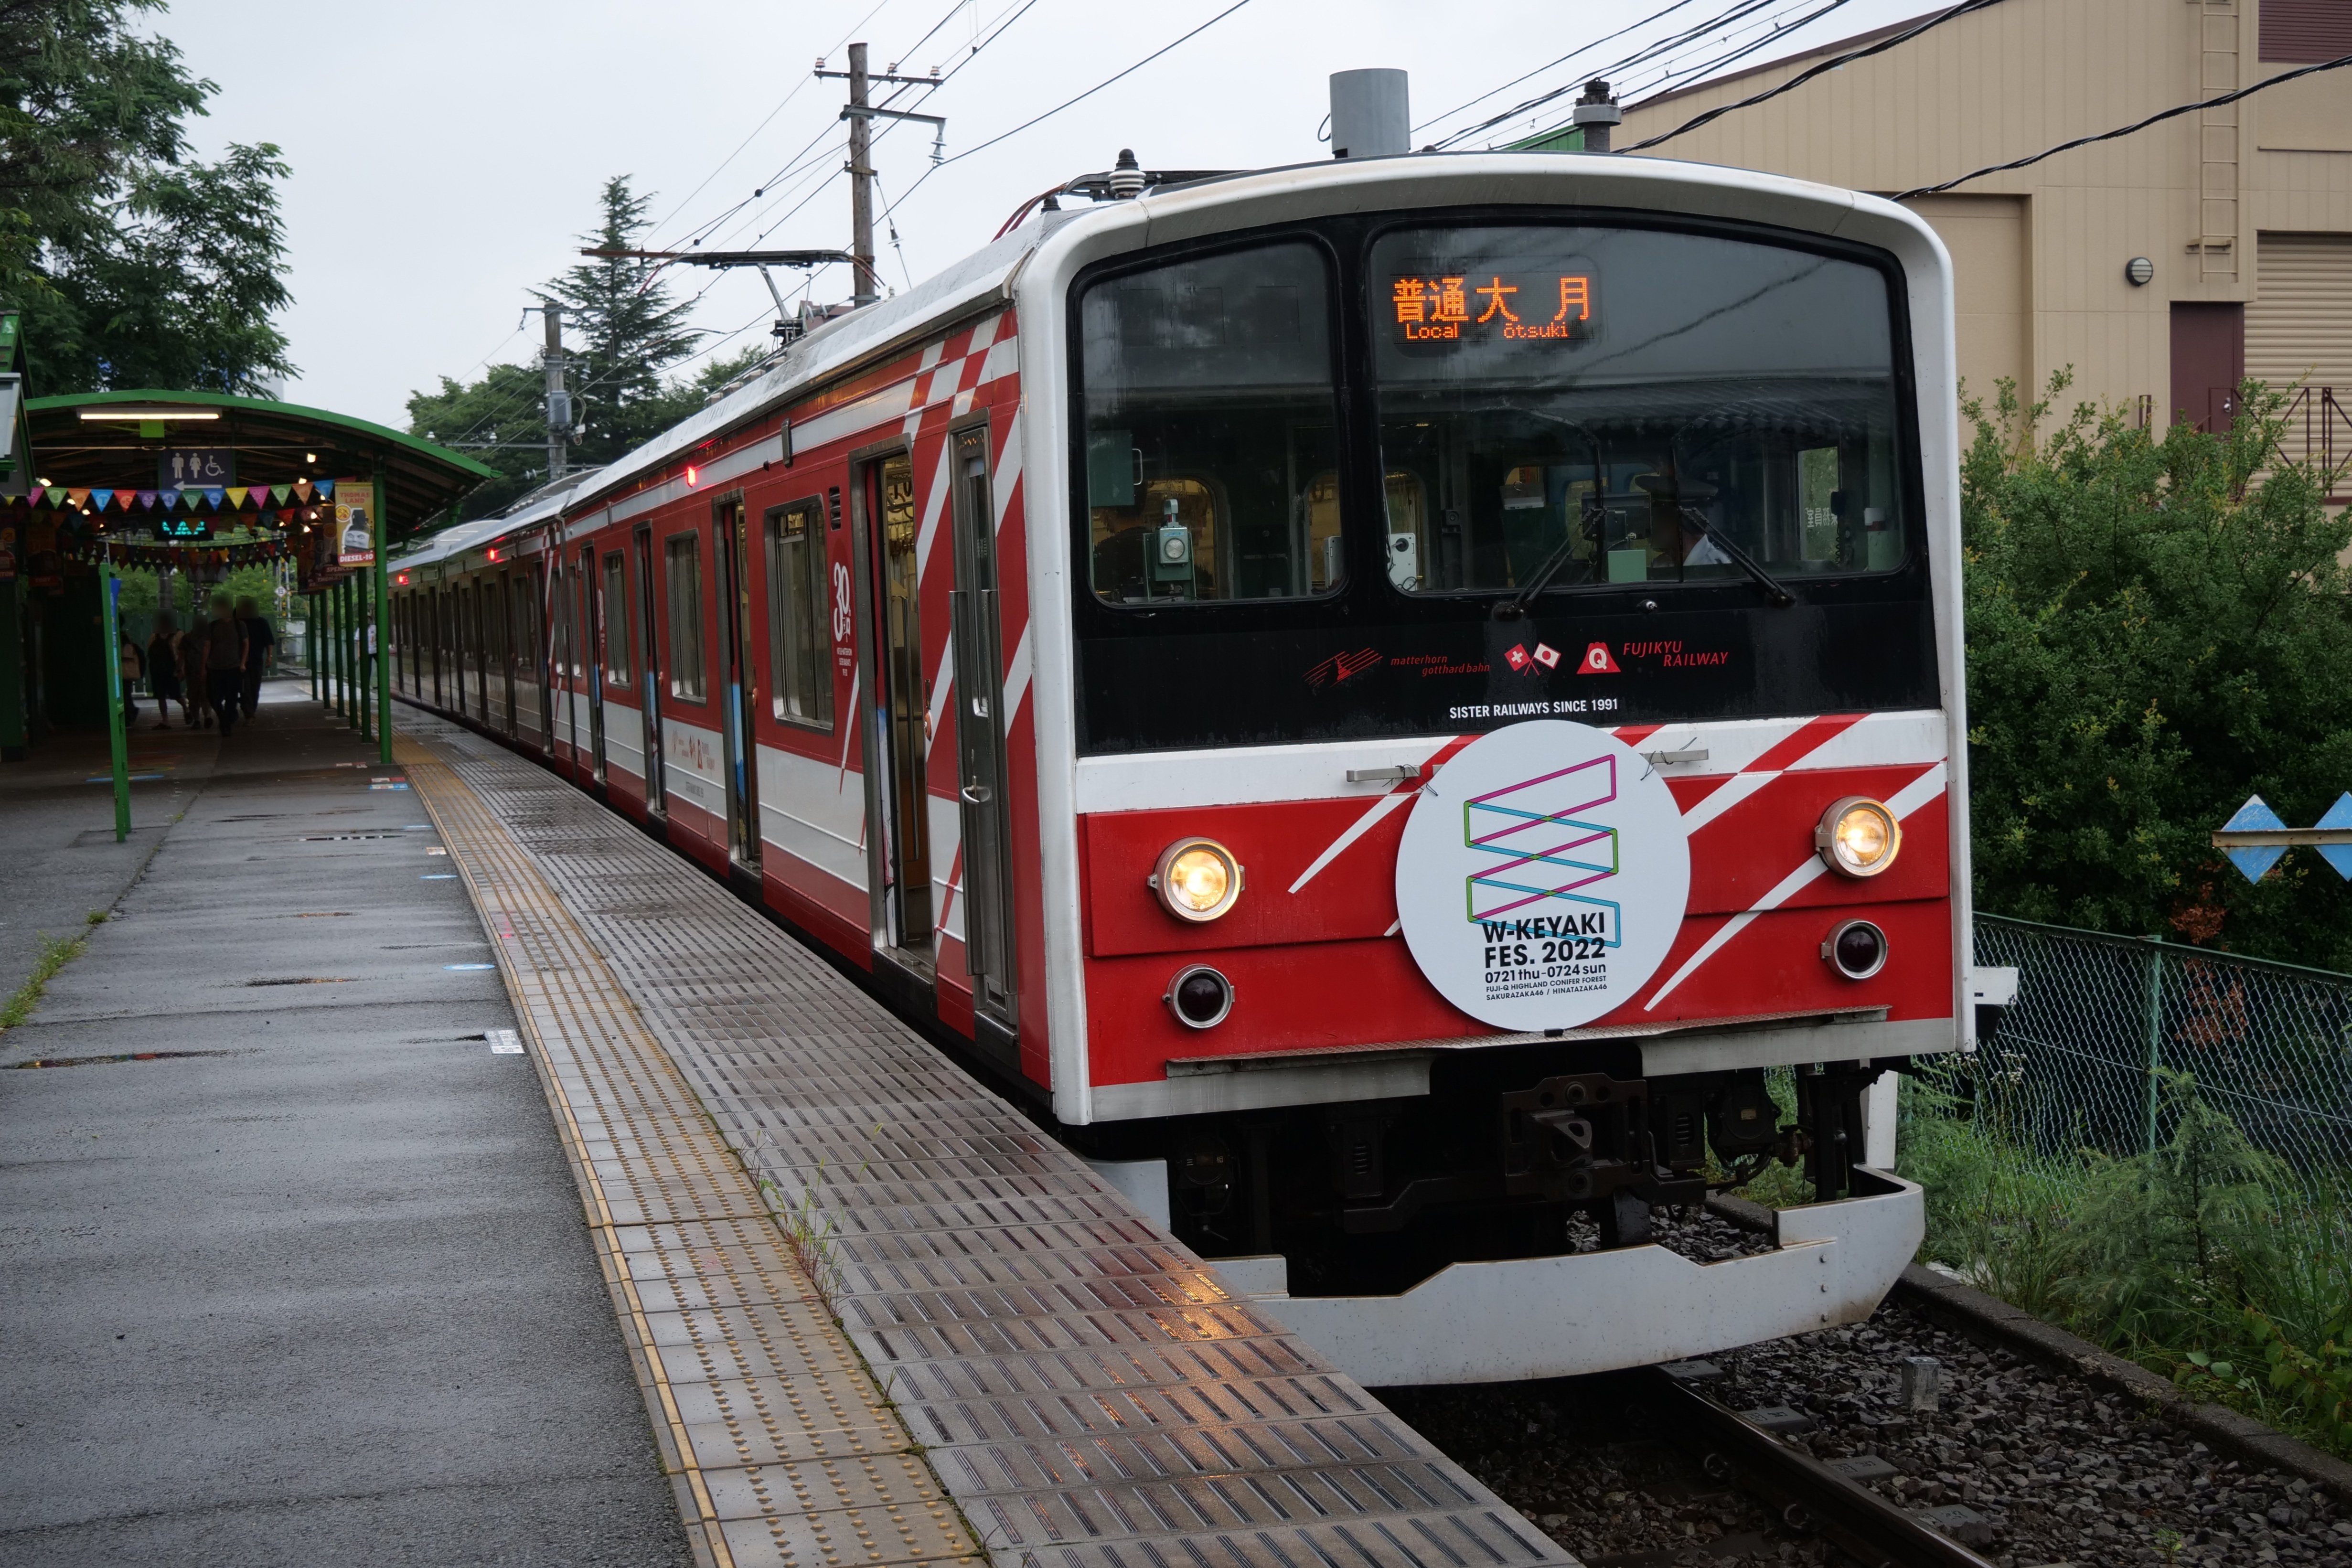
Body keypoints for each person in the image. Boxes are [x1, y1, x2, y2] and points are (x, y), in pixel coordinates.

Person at [201, 595, 246, 737]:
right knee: (214, 697)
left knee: (232, 697)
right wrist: (204, 667)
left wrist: (243, 663)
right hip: (214, 667)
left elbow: (246, 644)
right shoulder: (212, 626)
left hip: (233, 666)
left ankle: (226, 724)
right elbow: (207, 646)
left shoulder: (239, 625)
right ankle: (224, 718)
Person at [235, 596, 275, 721]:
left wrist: (270, 656)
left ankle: (249, 710)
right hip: (241, 660)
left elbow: (269, 641)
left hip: (254, 659)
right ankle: (249, 713)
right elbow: (269, 641)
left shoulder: (260, 622)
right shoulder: (239, 622)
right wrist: (269, 656)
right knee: (247, 688)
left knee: (253, 688)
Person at [146, 615, 181, 728]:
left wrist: (179, 668)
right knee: (161, 696)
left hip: (169, 669)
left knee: (175, 695)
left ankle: (185, 710)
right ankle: (165, 720)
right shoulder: (155, 635)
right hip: (160, 670)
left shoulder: (176, 634)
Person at [176, 616, 207, 728]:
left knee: (196, 696)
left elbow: (181, 655)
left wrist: (179, 669)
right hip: (201, 671)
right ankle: (205, 717)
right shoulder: (208, 638)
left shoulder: (187, 638)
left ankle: (198, 719)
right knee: (203, 695)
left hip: (194, 671)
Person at [118, 632, 142, 725]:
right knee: (127, 695)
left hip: (125, 675)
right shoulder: (129, 646)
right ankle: (131, 712)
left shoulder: (127, 647)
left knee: (126, 696)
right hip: (127, 675)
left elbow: (126, 658)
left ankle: (130, 714)